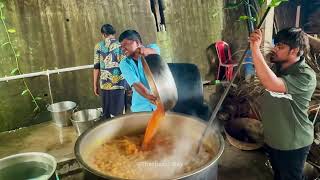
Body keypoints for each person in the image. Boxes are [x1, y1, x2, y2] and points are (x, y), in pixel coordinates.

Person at [249, 27, 316, 180]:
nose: (275, 49)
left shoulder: (305, 76)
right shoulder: (279, 66)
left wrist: (255, 49)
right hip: (274, 139)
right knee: (279, 175)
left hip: (292, 144)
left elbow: (271, 84)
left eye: (280, 46)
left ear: (294, 51)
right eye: (276, 44)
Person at [119, 30, 160, 112]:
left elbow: (155, 52)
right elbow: (135, 83)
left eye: (125, 44)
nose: (123, 49)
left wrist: (143, 51)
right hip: (140, 106)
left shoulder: (152, 48)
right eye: (121, 46)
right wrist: (149, 96)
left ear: (137, 43)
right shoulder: (124, 64)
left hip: (160, 101)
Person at [93, 24, 127, 118]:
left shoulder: (98, 46)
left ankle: (108, 130)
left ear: (103, 34)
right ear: (114, 33)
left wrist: (95, 84)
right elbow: (125, 66)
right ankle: (118, 131)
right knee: (117, 114)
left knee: (106, 113)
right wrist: (129, 84)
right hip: (118, 84)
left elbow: (96, 67)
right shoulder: (120, 45)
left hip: (104, 84)